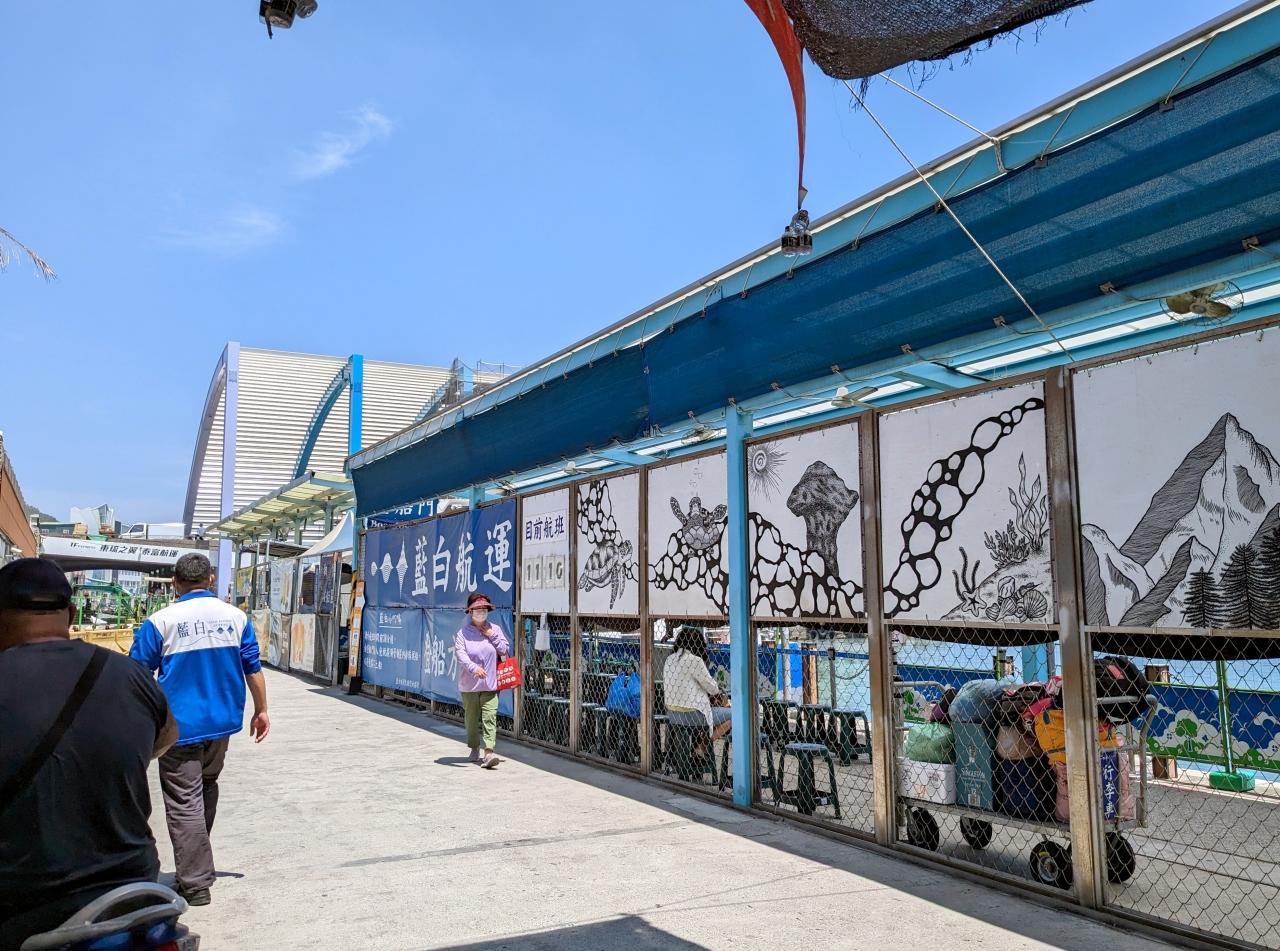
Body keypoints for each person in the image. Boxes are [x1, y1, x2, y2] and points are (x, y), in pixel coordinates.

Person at [0, 559, 178, 951]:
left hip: (24, 902)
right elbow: (164, 742)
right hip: (132, 889)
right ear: (69, 613)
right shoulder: (130, 675)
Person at [129, 553, 269, 907]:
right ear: (210, 580)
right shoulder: (236, 617)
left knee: (184, 799)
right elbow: (253, 668)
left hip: (178, 728)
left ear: (174, 582)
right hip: (222, 724)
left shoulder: (160, 622)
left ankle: (194, 882)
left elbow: (136, 674)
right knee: (206, 786)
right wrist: (262, 710)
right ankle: (197, 865)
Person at [453, 592, 509, 769]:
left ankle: (489, 752)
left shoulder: (495, 629)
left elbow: (504, 650)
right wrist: (474, 668)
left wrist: (492, 635)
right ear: (470, 612)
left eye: (484, 609)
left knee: (490, 716)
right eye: (477, 609)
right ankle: (474, 747)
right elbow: (460, 654)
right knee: (471, 719)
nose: (481, 612)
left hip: (491, 684)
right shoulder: (463, 633)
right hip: (469, 685)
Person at [662, 626, 731, 762]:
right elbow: (713, 689)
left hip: (672, 714)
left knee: (712, 712)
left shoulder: (670, 659)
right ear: (700, 645)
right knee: (734, 714)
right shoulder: (695, 661)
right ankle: (701, 748)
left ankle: (694, 750)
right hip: (692, 715)